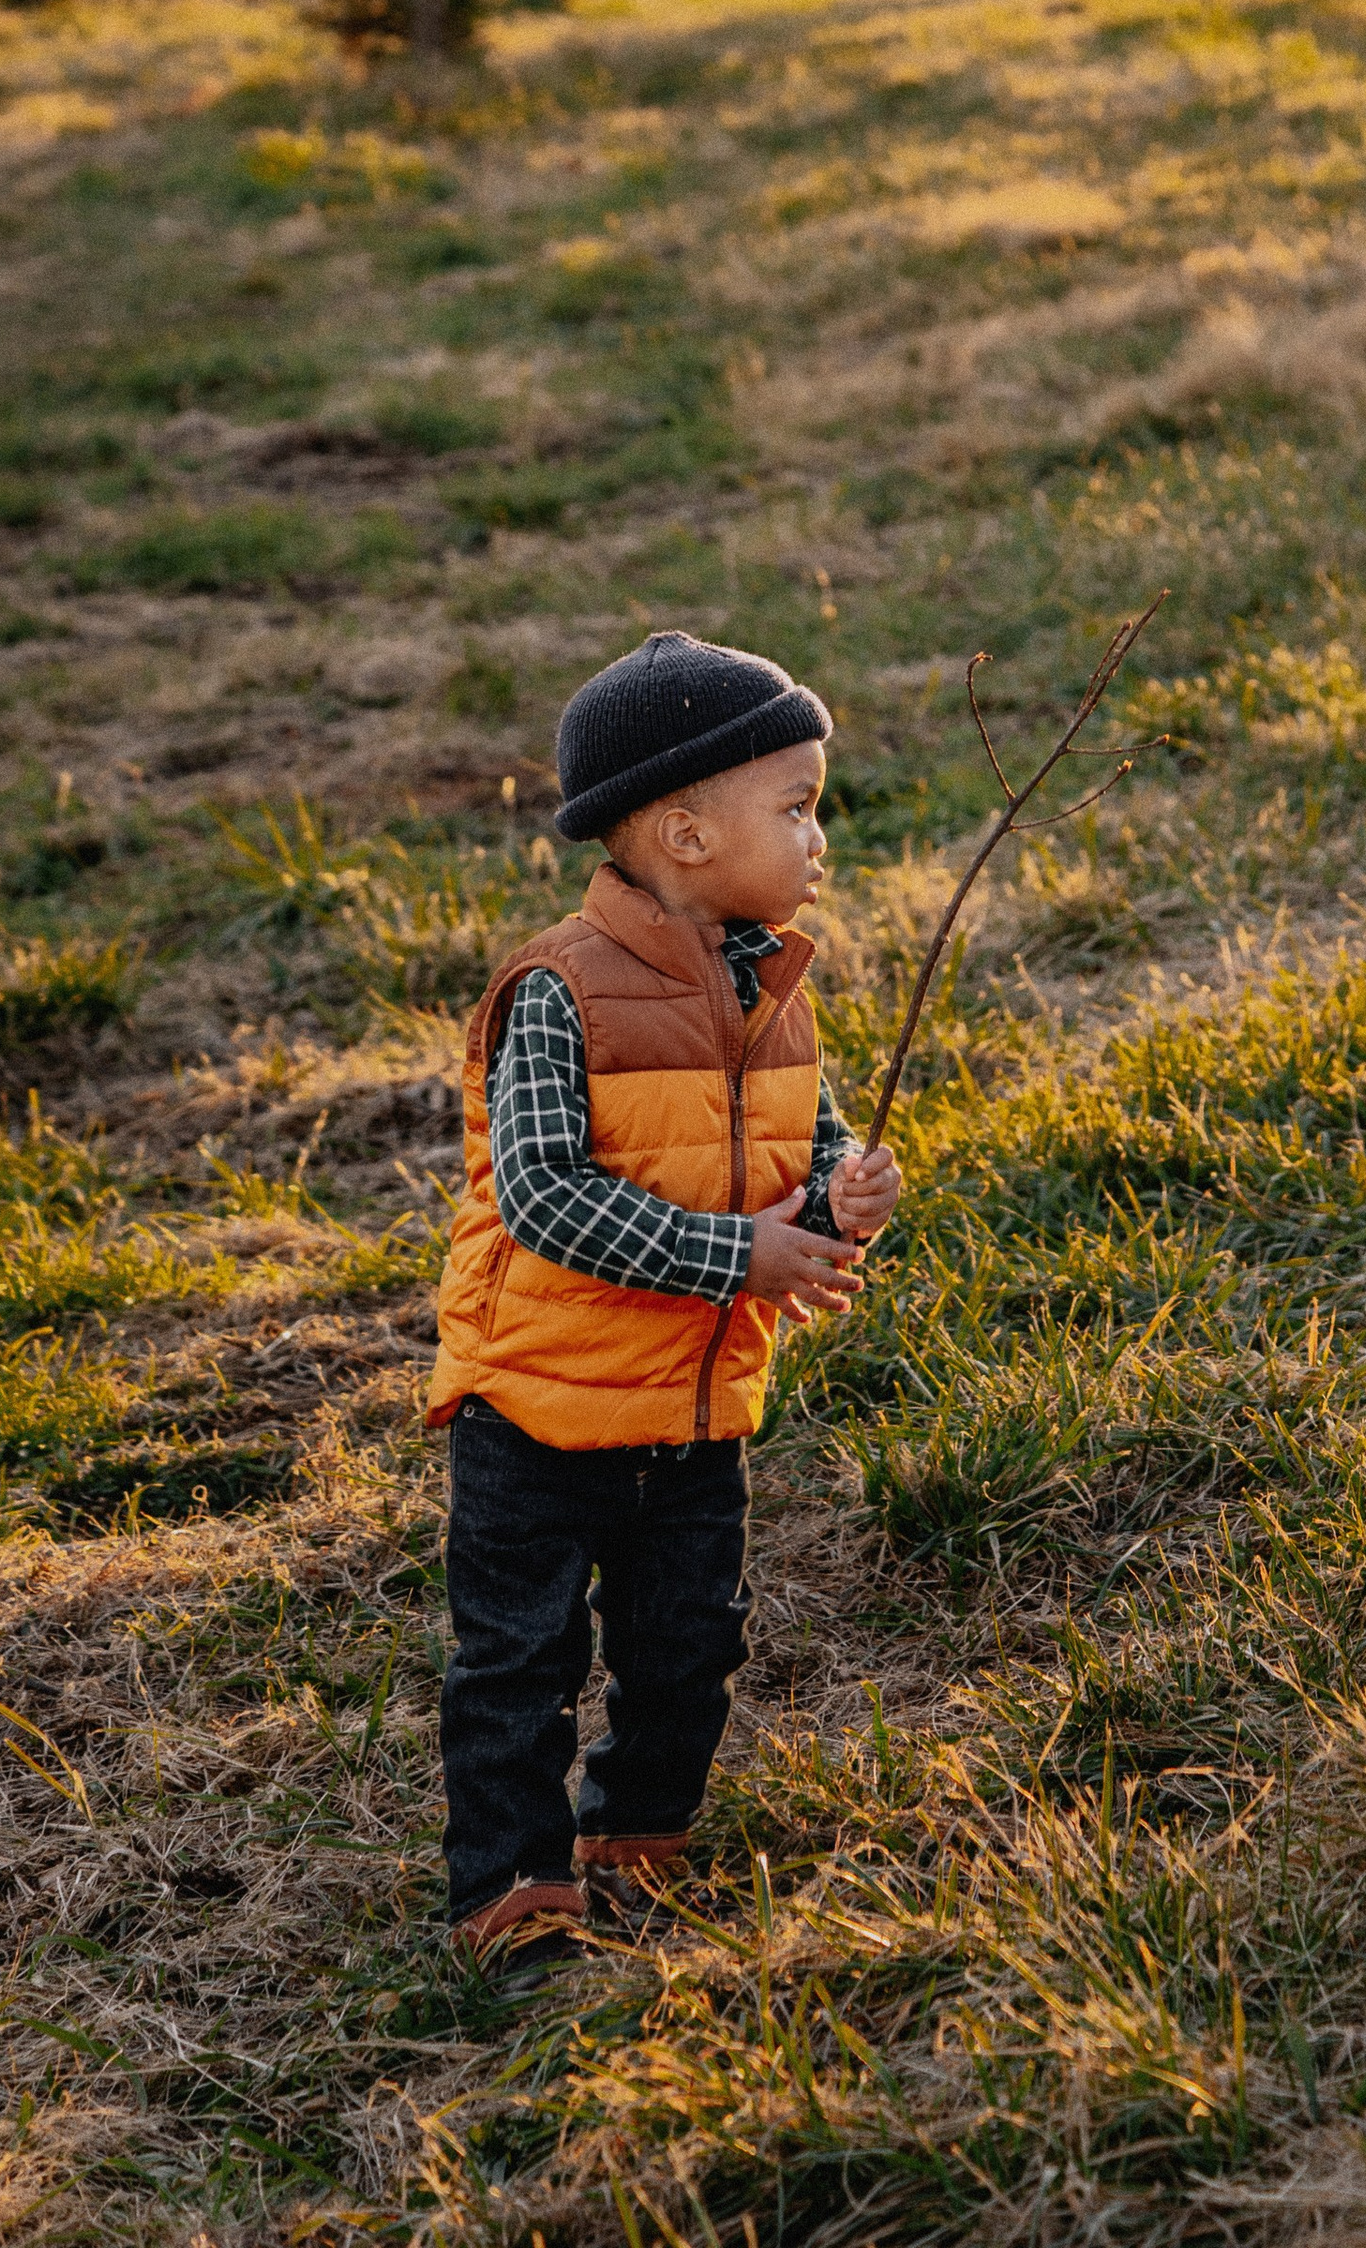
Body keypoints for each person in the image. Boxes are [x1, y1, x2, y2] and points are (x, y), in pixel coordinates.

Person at [425, 630, 900, 1971]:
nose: (820, 838)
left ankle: (637, 1835)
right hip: (535, 1403)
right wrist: (740, 1258)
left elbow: (792, 1153)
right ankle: (512, 1893)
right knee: (517, 1663)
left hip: (694, 1406)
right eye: (798, 806)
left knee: (690, 1640)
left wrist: (837, 1199)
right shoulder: (558, 993)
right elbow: (547, 1199)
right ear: (686, 832)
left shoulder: (775, 991)